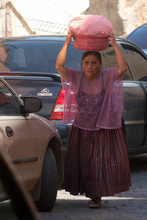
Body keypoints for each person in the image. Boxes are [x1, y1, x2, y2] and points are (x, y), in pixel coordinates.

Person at [56, 31, 131, 208]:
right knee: (84, 163)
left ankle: (95, 197)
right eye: (86, 63)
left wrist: (114, 43)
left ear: (100, 64)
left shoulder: (107, 76)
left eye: (94, 63)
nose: (89, 67)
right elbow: (59, 66)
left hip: (102, 129)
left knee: (98, 162)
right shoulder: (76, 77)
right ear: (81, 64)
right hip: (81, 129)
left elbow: (123, 68)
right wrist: (67, 43)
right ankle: (91, 193)